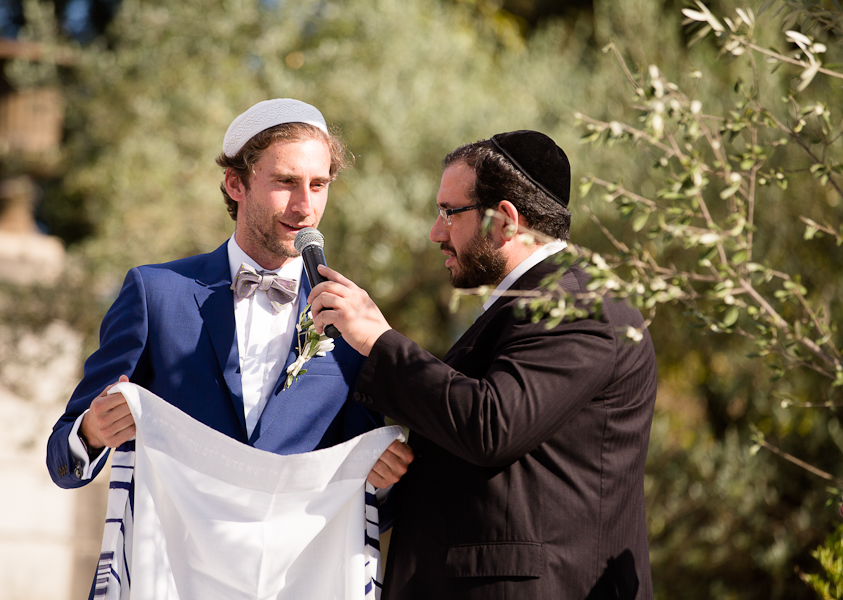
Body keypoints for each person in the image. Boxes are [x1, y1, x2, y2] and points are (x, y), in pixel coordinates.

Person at [45, 98, 413, 595]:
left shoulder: (353, 324)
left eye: (319, 185)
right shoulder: (155, 294)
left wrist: (384, 480)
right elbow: (61, 460)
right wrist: (91, 432)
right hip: (168, 576)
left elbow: (366, 502)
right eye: (285, 182)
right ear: (235, 184)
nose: (305, 207)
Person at [307, 130, 658, 599]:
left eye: (449, 213)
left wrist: (377, 339)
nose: (436, 232)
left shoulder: (578, 308)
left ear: (505, 220)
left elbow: (492, 424)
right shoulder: (529, 304)